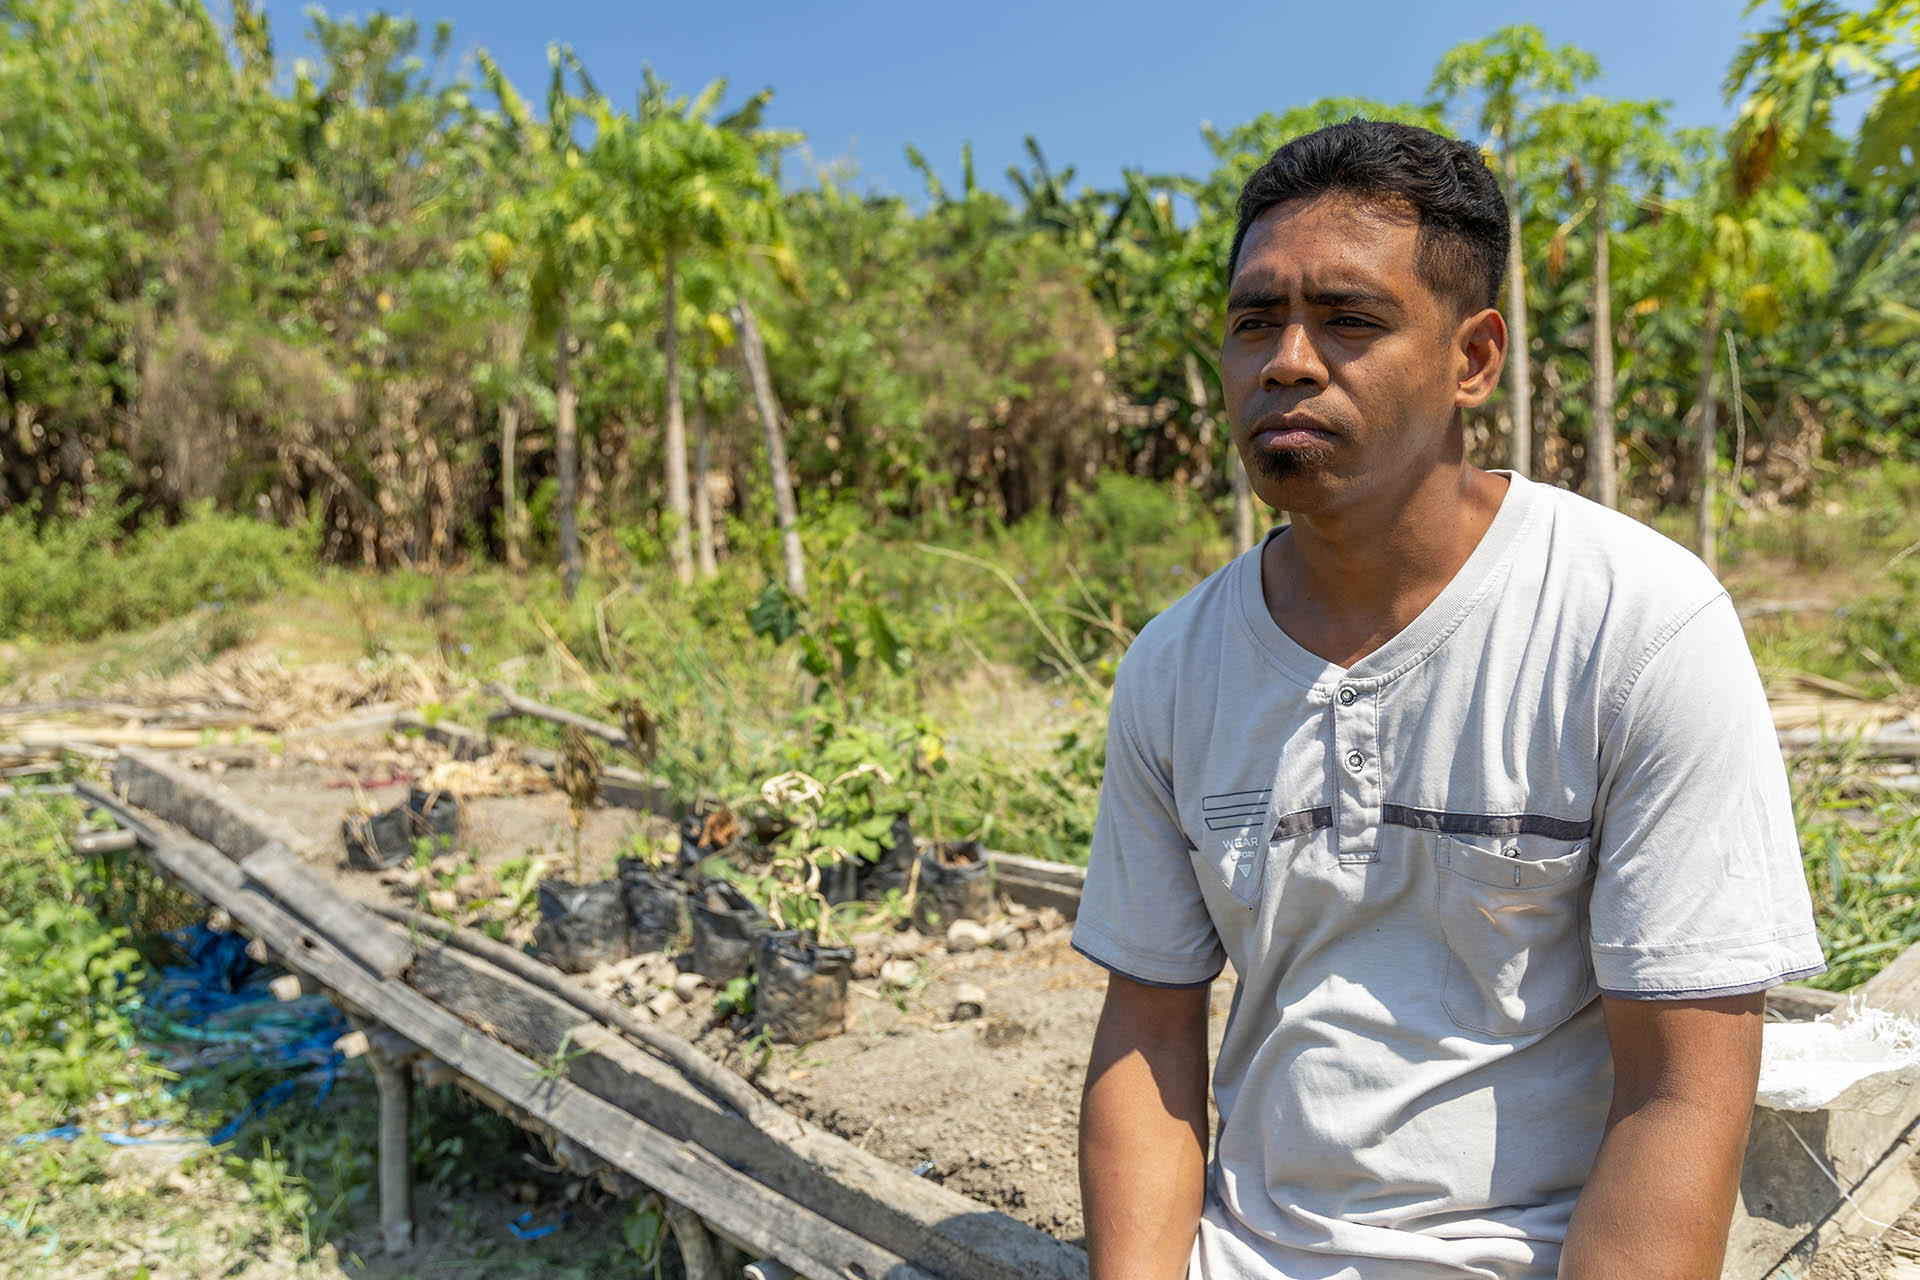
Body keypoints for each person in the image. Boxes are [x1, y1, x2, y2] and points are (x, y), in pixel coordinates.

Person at [1072, 118, 1824, 1280]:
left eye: (1351, 320)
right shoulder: (1174, 668)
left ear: (1474, 358)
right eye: (1253, 320)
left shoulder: (1635, 626)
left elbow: (1682, 1086)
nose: (1286, 359)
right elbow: (1148, 1031)